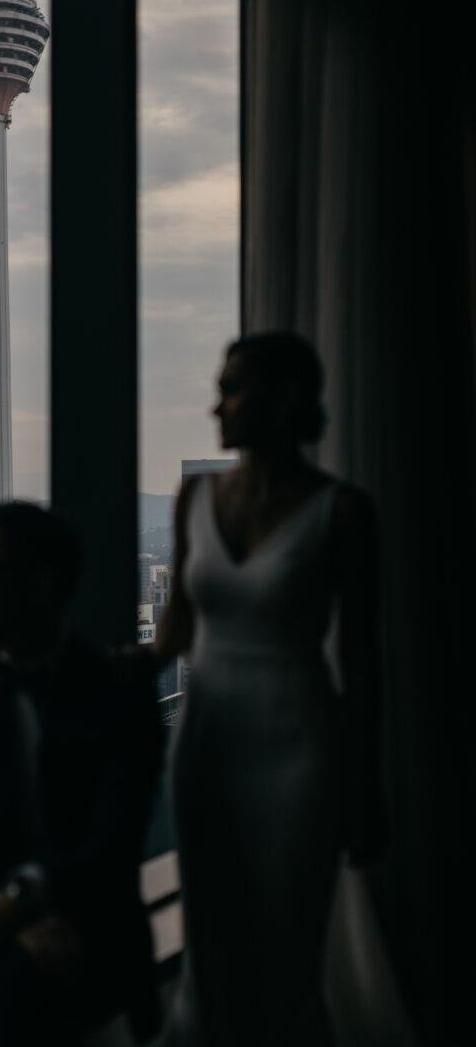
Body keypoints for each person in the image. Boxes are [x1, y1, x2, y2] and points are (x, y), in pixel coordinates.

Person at [155, 330, 386, 1046]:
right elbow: (175, 635)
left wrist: (363, 789)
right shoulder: (194, 497)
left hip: (300, 745)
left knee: (288, 953)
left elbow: (364, 664)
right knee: (212, 946)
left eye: (233, 389)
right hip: (207, 739)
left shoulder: (342, 513)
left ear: (283, 400)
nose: (216, 404)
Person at [0, 501, 163, 1047]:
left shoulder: (119, 693)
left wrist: (16, 906)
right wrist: (19, 920)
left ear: (41, 584)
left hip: (87, 937)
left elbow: (115, 835)